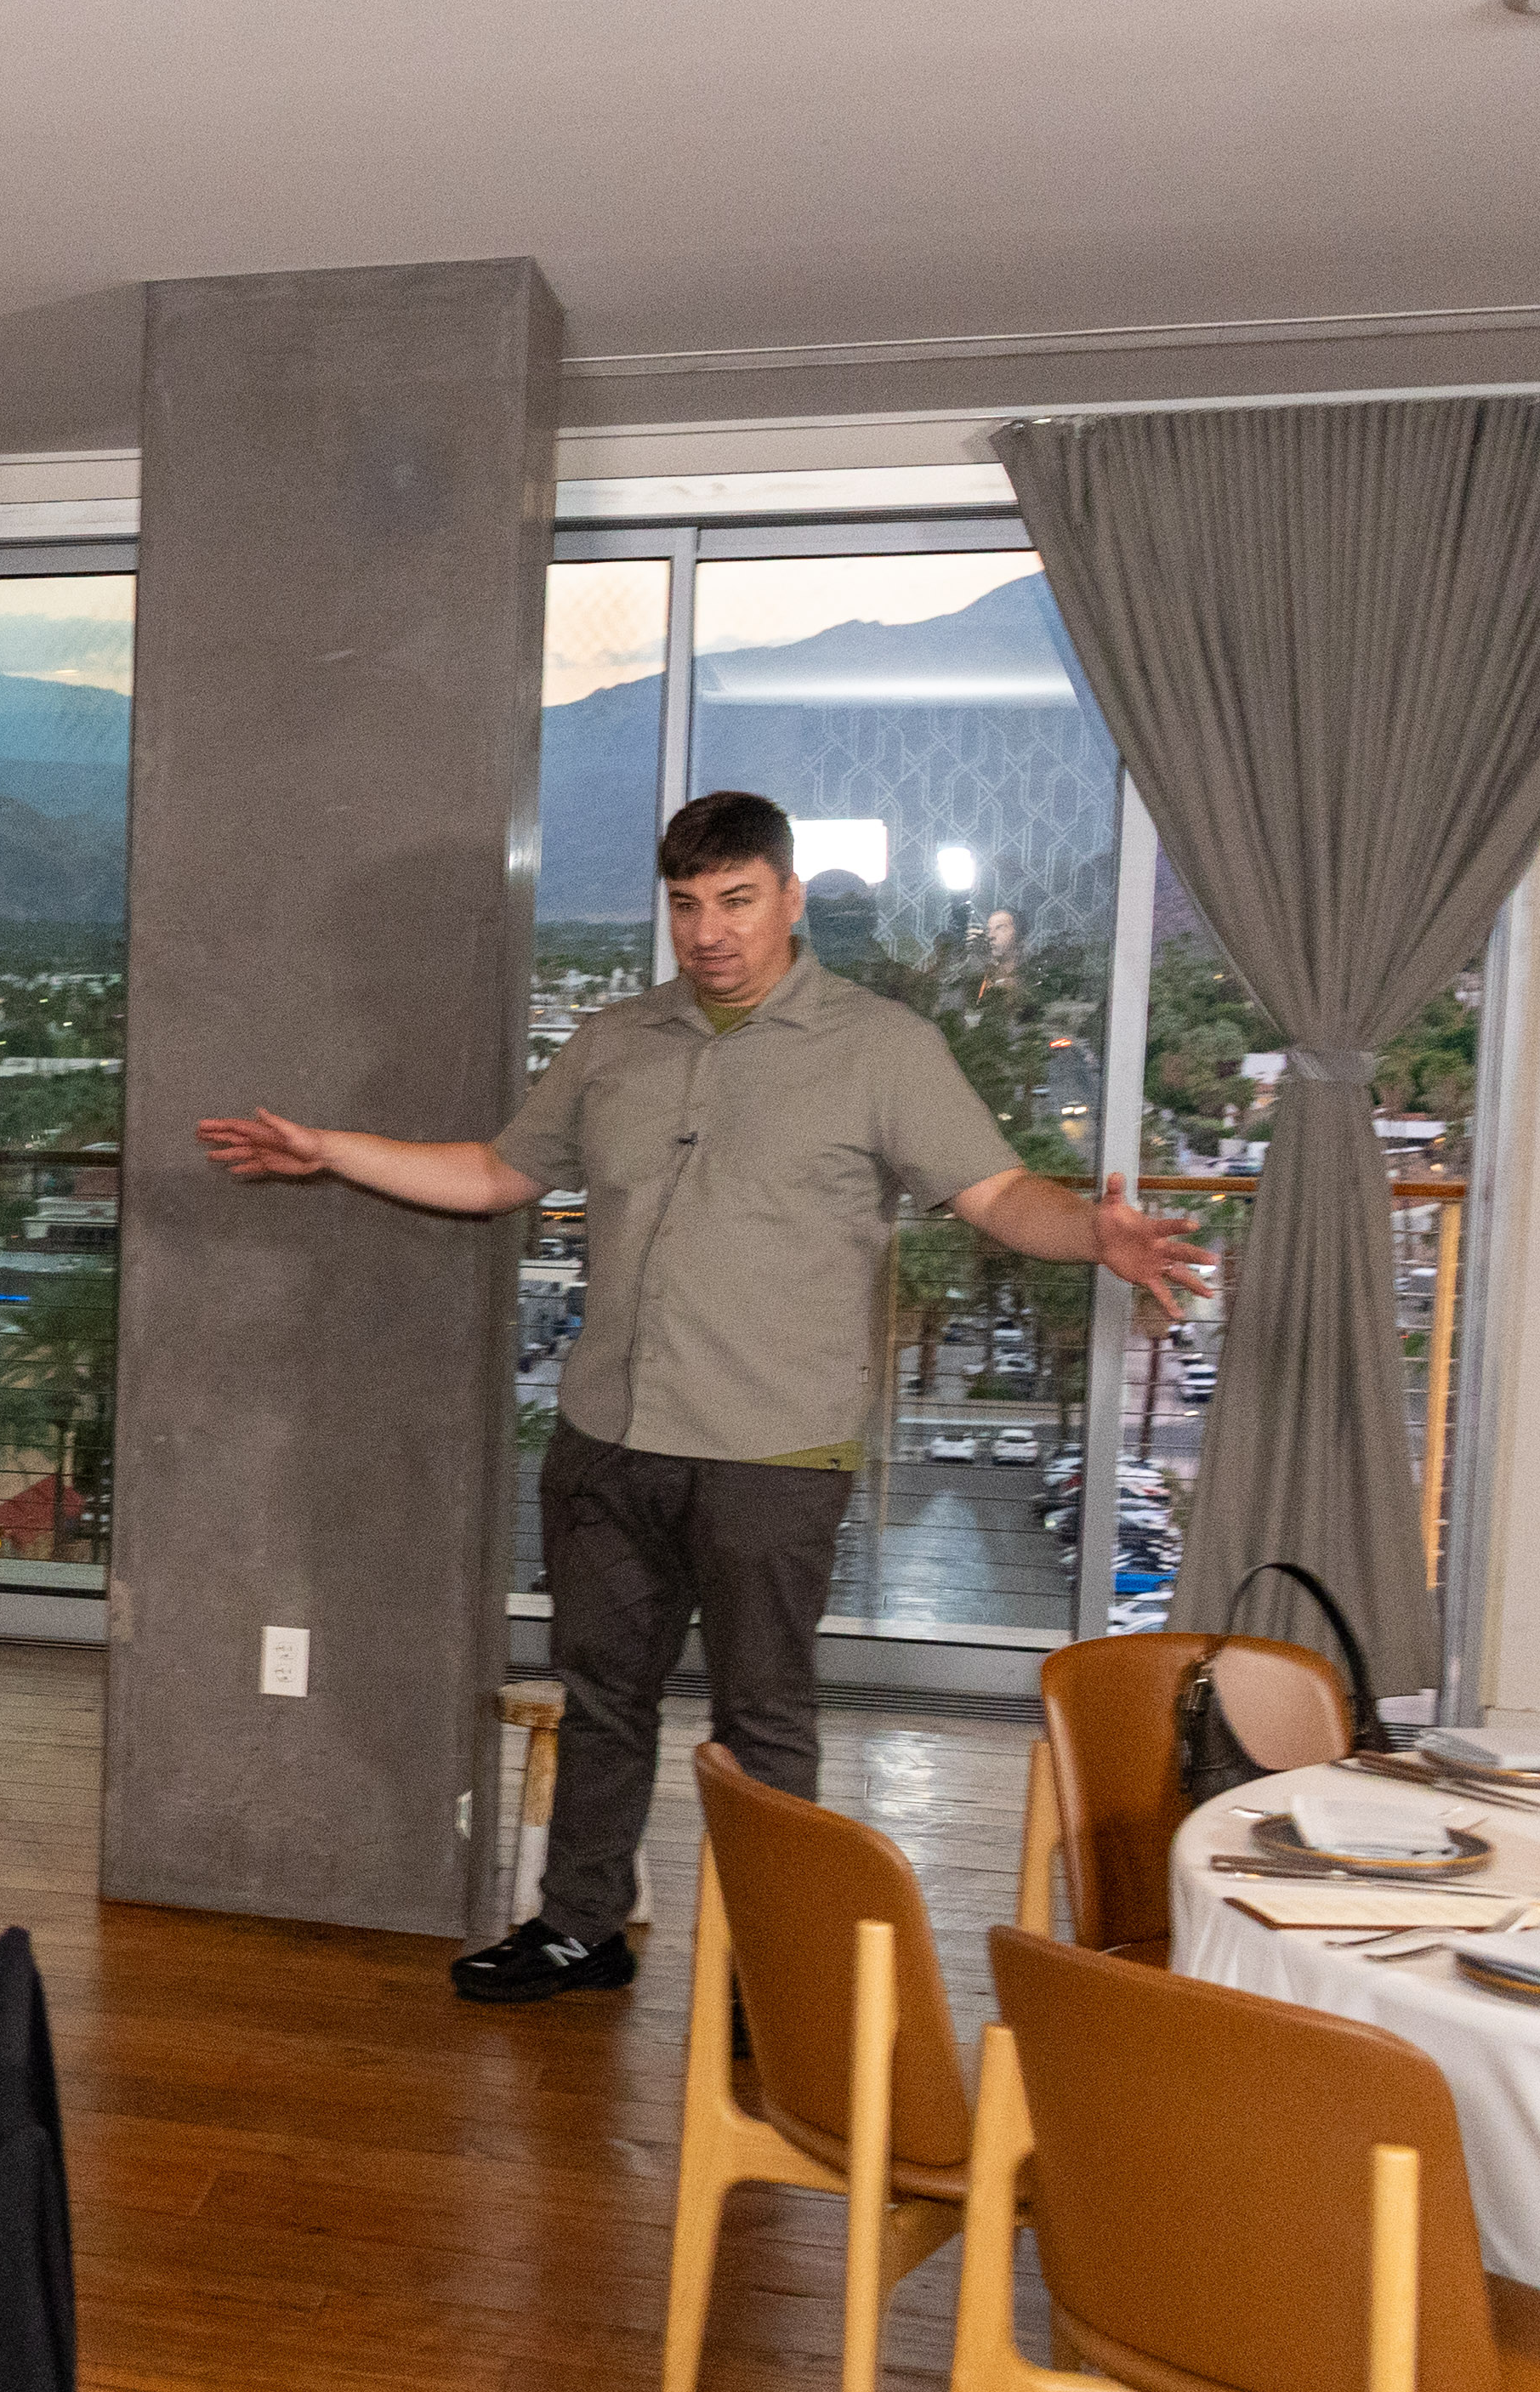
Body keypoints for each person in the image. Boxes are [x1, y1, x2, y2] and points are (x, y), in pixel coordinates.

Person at [196, 787, 1208, 2005]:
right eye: (687, 905)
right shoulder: (616, 1044)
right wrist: (331, 1151)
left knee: (763, 1726)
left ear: (789, 897)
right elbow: (494, 1173)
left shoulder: (881, 1047)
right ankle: (582, 1929)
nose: (710, 930)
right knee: (602, 1701)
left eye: (736, 901)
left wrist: (1094, 1235)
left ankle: (774, 1976)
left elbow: (996, 1196)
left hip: (773, 1452)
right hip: (610, 1438)